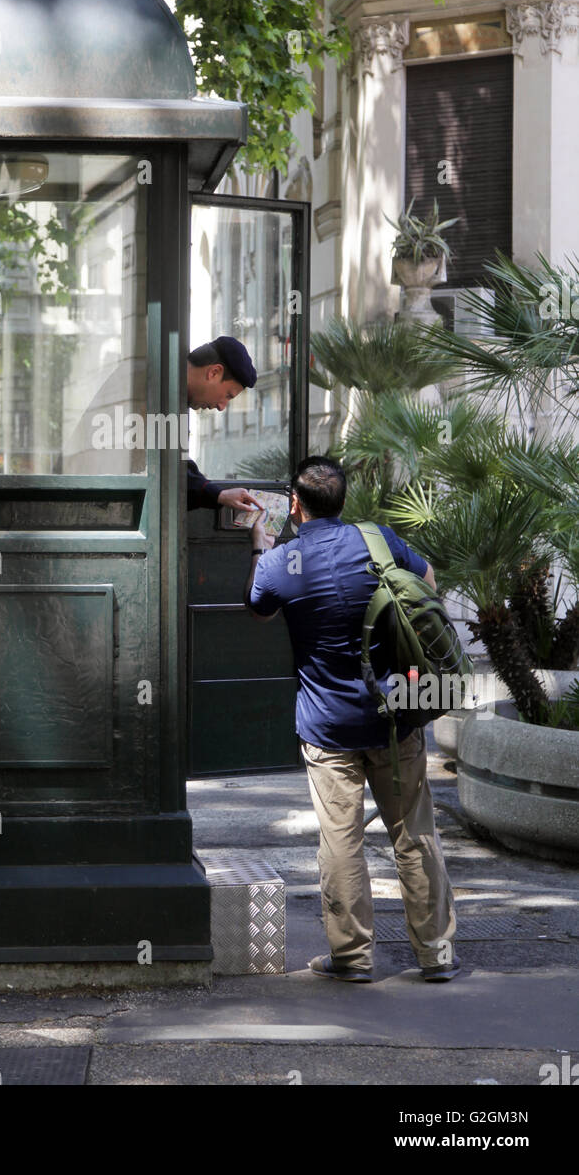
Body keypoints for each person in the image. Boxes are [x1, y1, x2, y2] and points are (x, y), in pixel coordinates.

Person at [243, 454, 458, 984]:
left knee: (341, 841)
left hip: (328, 728)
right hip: (396, 718)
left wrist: (260, 544)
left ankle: (353, 958)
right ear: (342, 501)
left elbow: (258, 606)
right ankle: (435, 954)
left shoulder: (282, 561)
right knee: (414, 834)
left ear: (295, 505)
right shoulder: (378, 540)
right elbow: (430, 582)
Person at [186, 337, 261, 514]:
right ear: (214, 373)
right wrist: (218, 494)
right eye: (228, 395)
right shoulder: (158, 394)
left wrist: (219, 493)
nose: (221, 407)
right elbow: (168, 473)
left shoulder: (172, 397)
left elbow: (177, 467)